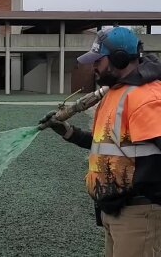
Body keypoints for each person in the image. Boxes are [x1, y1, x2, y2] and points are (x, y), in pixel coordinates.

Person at [39, 26, 161, 257]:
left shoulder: (146, 97)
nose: (93, 66)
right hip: (116, 209)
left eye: (98, 60)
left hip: (139, 213)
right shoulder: (116, 93)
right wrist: (68, 132)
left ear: (120, 58)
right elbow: (110, 145)